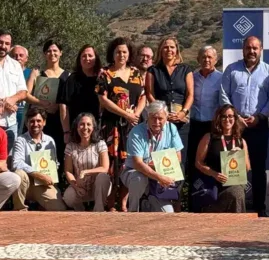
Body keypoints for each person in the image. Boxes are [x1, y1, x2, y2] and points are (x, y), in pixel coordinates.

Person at [220, 35, 269, 216]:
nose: (251, 51)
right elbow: (224, 96)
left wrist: (260, 117)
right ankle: (236, 207)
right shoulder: (231, 70)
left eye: (255, 48)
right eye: (248, 48)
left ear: (261, 50)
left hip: (259, 125)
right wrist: (236, 117)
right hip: (234, 126)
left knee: (259, 169)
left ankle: (260, 208)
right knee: (233, 166)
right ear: (243, 49)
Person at [96, 37, 146, 212]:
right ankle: (110, 203)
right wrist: (125, 114)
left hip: (131, 127)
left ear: (129, 53)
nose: (121, 55)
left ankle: (123, 203)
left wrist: (136, 114)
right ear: (113, 53)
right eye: (118, 52)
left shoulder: (136, 73)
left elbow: (143, 96)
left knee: (128, 163)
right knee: (111, 165)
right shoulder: (105, 74)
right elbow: (102, 99)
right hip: (111, 126)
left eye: (124, 52)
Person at [121, 101, 183, 213]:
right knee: (139, 178)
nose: (157, 122)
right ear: (147, 117)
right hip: (134, 172)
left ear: (167, 118)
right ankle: (132, 212)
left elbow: (178, 158)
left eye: (160, 118)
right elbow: (138, 164)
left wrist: (159, 172)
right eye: (153, 118)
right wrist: (159, 176)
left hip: (159, 176)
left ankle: (147, 201)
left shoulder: (172, 129)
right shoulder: (136, 132)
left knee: (168, 213)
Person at [194, 104, 250, 212]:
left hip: (233, 182)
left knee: (236, 191)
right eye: (224, 116)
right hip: (213, 184)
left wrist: (240, 155)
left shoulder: (241, 141)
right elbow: (198, 163)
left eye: (230, 116)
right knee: (236, 193)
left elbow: (247, 168)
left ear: (235, 119)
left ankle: (238, 224)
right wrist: (214, 174)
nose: (227, 119)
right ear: (219, 118)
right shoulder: (209, 138)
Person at [146, 35, 194, 160]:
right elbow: (149, 94)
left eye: (172, 47)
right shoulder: (153, 70)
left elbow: (190, 94)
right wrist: (162, 113)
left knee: (180, 158)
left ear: (176, 50)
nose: (169, 50)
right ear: (160, 50)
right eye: (165, 47)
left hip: (181, 121)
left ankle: (179, 181)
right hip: (161, 121)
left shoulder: (186, 69)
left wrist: (183, 112)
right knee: (163, 157)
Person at [188, 46, 224, 210]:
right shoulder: (192, 77)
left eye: (210, 57)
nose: (206, 60)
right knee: (193, 164)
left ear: (216, 60)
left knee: (212, 165)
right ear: (198, 59)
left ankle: (213, 203)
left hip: (212, 127)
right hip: (194, 126)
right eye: (203, 57)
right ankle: (192, 203)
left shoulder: (222, 78)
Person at [11, 106, 66, 210]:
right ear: (27, 123)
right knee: (19, 174)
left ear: (44, 122)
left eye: (38, 121)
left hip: (42, 184)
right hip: (26, 183)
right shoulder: (20, 140)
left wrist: (53, 169)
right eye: (32, 121)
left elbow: (54, 163)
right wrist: (37, 174)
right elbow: (16, 163)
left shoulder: (50, 140)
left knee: (59, 209)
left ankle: (40, 206)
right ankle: (19, 209)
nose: (35, 124)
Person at [25, 39, 69, 166]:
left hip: (62, 120)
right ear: (45, 54)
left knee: (60, 152)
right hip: (41, 120)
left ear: (61, 53)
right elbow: (26, 94)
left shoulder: (68, 75)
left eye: (55, 50)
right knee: (41, 152)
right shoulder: (37, 73)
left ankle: (60, 183)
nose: (52, 53)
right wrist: (43, 104)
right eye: (48, 51)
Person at [0, 29, 27, 151]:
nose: (3, 46)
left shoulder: (15, 65)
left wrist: (13, 99)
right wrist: (3, 103)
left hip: (11, 124)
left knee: (8, 161)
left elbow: (23, 92)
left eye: (7, 44)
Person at [63, 113, 111, 211]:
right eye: (82, 124)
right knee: (68, 197)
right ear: (76, 127)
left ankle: (99, 209)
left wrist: (85, 172)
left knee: (103, 177)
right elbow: (68, 171)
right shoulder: (70, 146)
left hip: (98, 187)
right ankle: (80, 211)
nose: (85, 127)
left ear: (93, 127)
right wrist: (76, 187)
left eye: (88, 124)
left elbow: (105, 168)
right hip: (80, 186)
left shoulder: (100, 144)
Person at [58, 45, 101, 140]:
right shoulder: (72, 79)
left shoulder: (101, 79)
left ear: (96, 58)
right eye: (84, 56)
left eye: (90, 56)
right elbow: (63, 106)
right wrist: (66, 131)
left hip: (97, 130)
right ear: (79, 59)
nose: (87, 58)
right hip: (76, 130)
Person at [10, 45, 33, 133]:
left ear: (26, 58)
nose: (17, 58)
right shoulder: (4, 73)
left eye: (21, 55)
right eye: (14, 55)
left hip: (26, 117)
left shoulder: (32, 74)